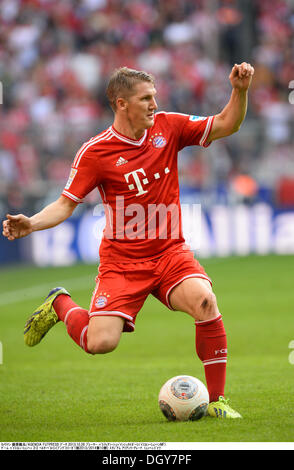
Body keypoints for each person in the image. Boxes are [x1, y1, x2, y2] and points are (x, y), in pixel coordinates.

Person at [2, 63, 254, 419]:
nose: (154, 104)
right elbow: (64, 204)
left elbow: (228, 124)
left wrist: (240, 91)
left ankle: (217, 402)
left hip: (170, 252)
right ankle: (60, 304)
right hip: (122, 263)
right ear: (121, 104)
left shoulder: (170, 126)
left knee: (205, 302)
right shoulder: (96, 152)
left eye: (154, 97)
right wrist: (31, 223)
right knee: (100, 342)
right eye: (146, 98)